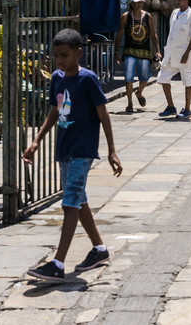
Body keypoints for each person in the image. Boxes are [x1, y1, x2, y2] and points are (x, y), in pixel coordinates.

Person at [22, 28, 123, 284]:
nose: (59, 61)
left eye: (64, 55)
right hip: (64, 149)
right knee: (79, 201)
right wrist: (36, 140)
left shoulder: (88, 79)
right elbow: (55, 112)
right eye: (56, 56)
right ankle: (99, 249)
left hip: (82, 150)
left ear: (79, 53)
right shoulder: (57, 78)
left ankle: (57, 264)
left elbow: (103, 114)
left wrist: (111, 149)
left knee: (69, 204)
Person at [158, 0, 191, 119]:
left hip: (185, 55)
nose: (177, 2)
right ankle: (171, 106)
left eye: (179, 0)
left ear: (186, 0)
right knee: (162, 77)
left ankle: (187, 109)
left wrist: (187, 53)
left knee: (188, 81)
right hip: (171, 53)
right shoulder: (174, 13)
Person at [119, 0, 159, 114]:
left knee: (145, 77)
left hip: (145, 51)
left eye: (141, 2)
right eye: (137, 3)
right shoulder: (125, 16)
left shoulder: (147, 17)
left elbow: (153, 33)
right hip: (129, 51)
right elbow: (119, 34)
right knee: (129, 77)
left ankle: (139, 92)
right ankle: (130, 103)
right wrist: (116, 51)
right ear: (131, 4)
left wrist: (158, 50)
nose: (139, 5)